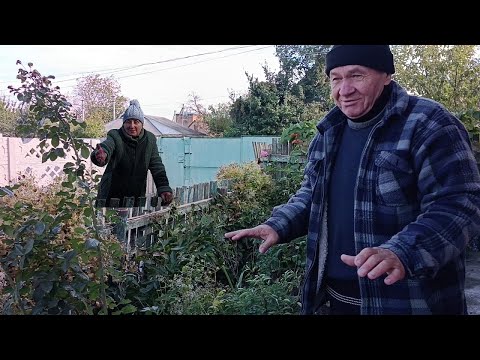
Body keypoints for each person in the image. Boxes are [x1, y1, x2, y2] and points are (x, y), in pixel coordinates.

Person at [224, 45, 480, 315]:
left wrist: (403, 251)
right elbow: (312, 195)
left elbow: (460, 204)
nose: (344, 90)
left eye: (356, 76)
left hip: (408, 304)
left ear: (386, 75)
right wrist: (278, 225)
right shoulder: (328, 132)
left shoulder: (428, 123)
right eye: (336, 78)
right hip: (335, 303)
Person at [91, 99, 173, 207]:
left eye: (136, 122)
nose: (132, 125)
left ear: (142, 124)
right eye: (128, 122)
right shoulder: (115, 135)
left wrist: (163, 188)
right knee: (109, 223)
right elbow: (107, 146)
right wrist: (101, 155)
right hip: (111, 196)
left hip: (136, 196)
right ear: (124, 123)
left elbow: (157, 166)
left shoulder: (150, 140)